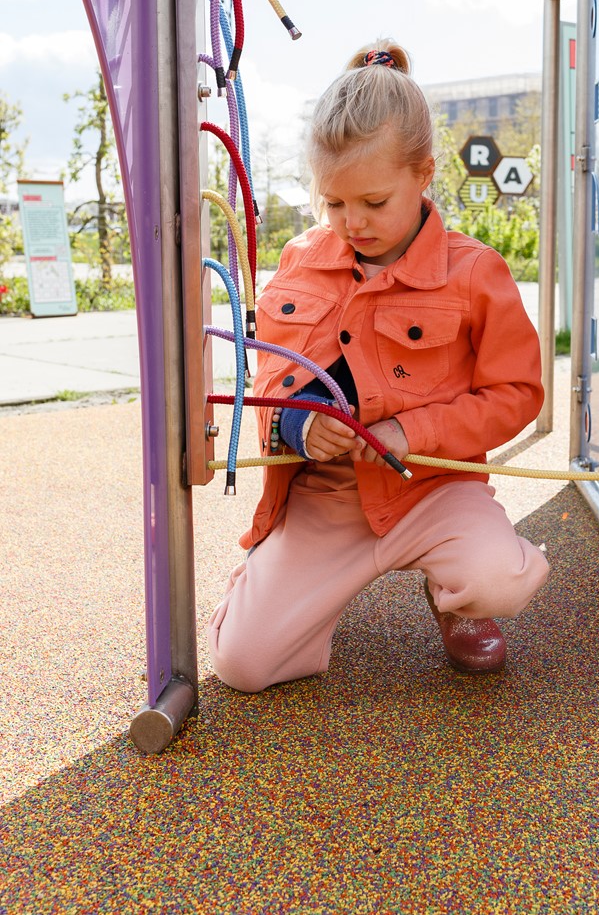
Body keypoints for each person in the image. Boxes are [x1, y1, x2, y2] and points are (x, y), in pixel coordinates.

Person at [208, 40, 549, 692]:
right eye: (333, 203)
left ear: (424, 173)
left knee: (497, 578)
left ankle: (459, 598)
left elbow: (518, 393)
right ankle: (292, 592)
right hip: (326, 501)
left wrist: (411, 432)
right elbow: (268, 382)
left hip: (433, 488)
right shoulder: (302, 257)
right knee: (242, 665)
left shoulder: (475, 270)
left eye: (372, 200)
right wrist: (298, 429)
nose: (351, 222)